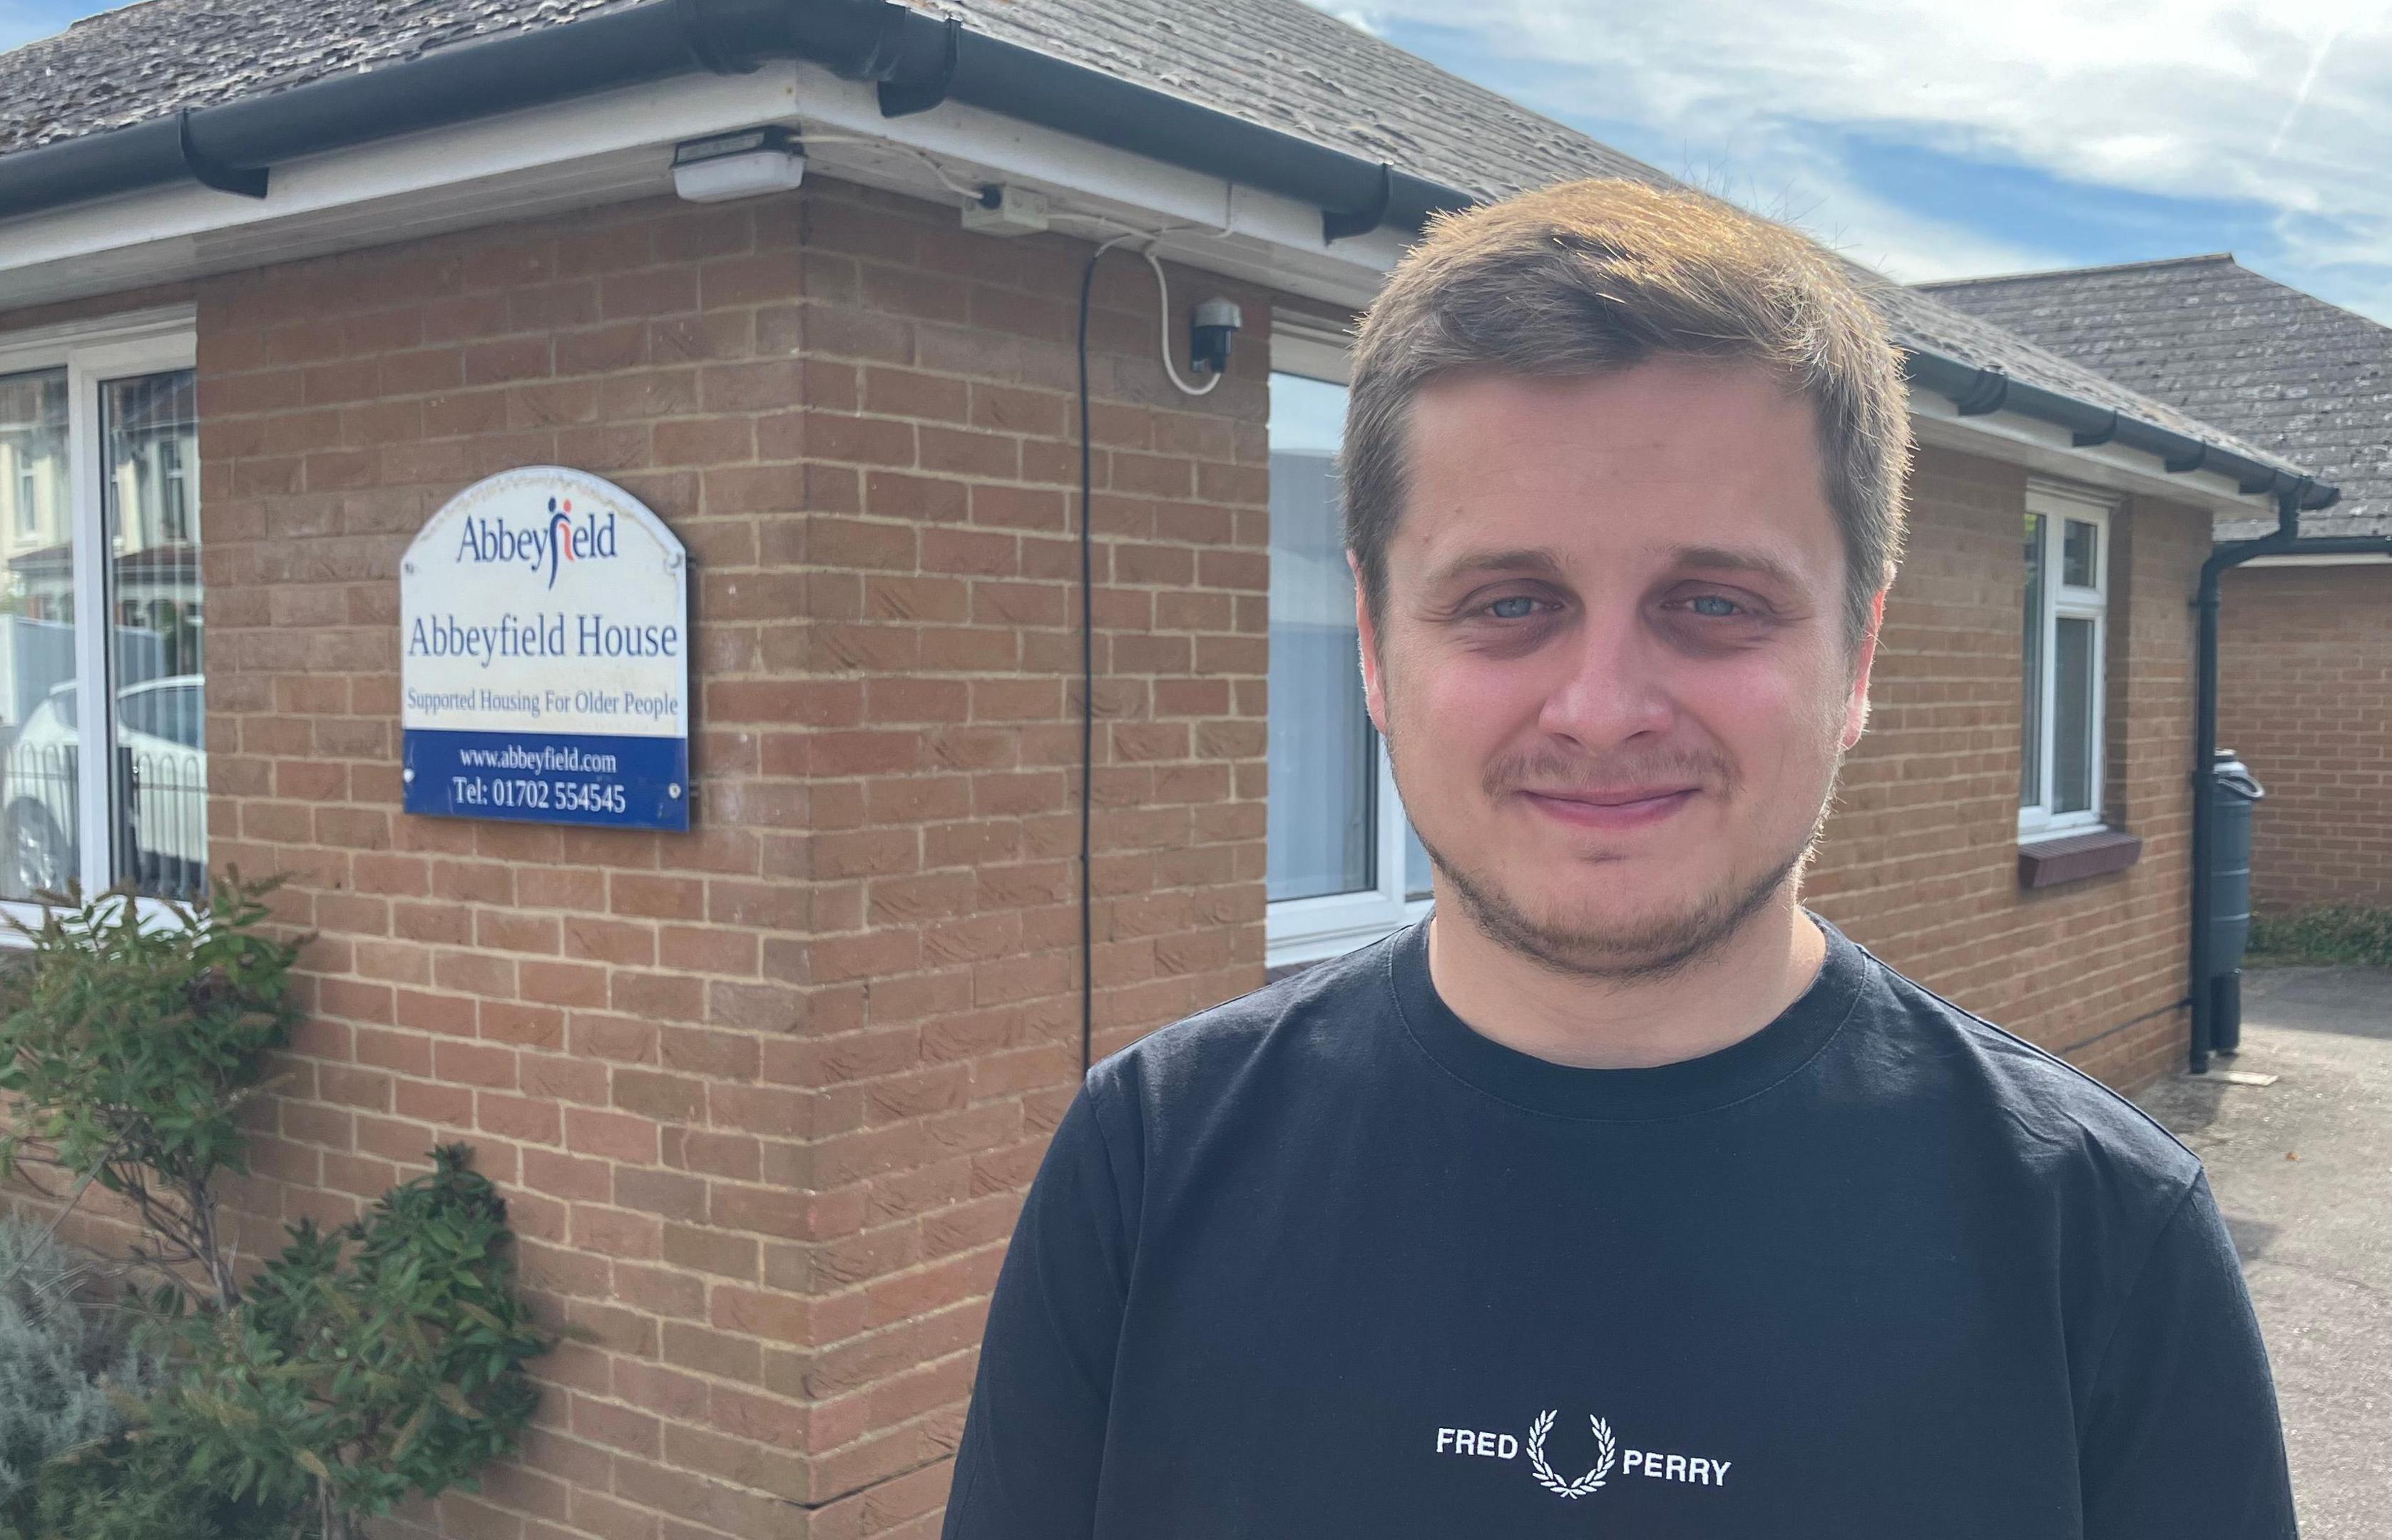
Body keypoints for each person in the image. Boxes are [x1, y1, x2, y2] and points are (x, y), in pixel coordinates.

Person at [942, 178, 2296, 1538]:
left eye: (1713, 604)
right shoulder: (1149, 1164)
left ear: (1858, 652)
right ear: (1371, 640)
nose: (1601, 706)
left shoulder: (2104, 1242)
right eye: (1508, 603)